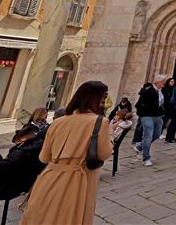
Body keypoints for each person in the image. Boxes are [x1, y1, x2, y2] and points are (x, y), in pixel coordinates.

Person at [20, 81, 112, 225]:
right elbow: (104, 153)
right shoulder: (101, 122)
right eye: (103, 98)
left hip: (48, 180)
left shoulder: (57, 122)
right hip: (77, 182)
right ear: (96, 99)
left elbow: (44, 158)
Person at [0, 124, 46, 201]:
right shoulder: (39, 147)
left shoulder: (21, 152)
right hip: (20, 186)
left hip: (0, 189)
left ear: (22, 139)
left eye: (17, 143)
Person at [134, 74, 166, 165]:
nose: (164, 83)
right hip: (147, 116)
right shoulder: (147, 91)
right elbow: (138, 105)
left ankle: (140, 146)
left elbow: (161, 103)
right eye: (163, 81)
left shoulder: (161, 91)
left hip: (158, 116)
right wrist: (142, 115)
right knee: (148, 136)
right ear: (158, 82)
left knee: (157, 134)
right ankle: (146, 158)